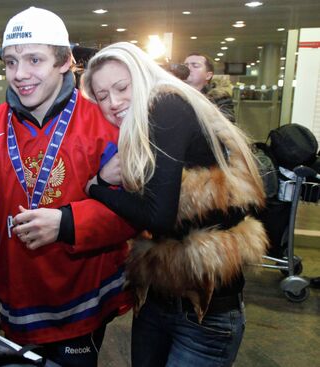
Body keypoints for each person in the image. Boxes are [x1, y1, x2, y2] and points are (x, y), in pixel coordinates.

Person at [0, 8, 134, 367]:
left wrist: (68, 222)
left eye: (34, 60)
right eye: (10, 62)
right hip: (18, 307)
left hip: (85, 305)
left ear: (65, 61)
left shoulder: (103, 123)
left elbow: (136, 210)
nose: (19, 75)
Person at [82, 42, 268, 367]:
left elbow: (159, 217)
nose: (113, 102)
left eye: (122, 87)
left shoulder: (166, 104)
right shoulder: (150, 120)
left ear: (141, 76)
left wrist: (96, 187)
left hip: (205, 311)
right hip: (158, 298)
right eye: (101, 95)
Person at [184, 53, 236, 122]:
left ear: (208, 75)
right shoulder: (171, 94)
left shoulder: (220, 98)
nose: (188, 68)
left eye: (195, 66)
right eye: (185, 65)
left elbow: (227, 125)